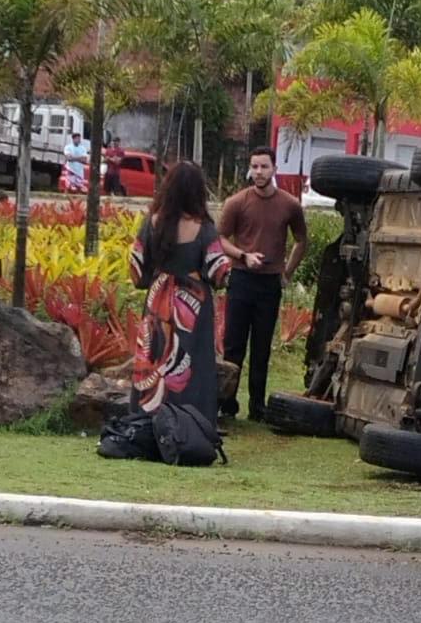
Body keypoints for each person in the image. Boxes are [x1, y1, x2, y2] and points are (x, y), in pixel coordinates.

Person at [129, 160, 232, 423]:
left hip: (158, 298)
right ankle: (191, 424)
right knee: (193, 362)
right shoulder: (204, 228)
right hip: (193, 305)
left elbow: (137, 272)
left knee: (154, 355)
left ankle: (146, 421)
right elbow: (219, 272)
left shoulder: (152, 223)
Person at [218, 147, 308, 422]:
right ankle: (227, 404)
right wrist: (243, 255)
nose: (258, 172)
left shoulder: (290, 204)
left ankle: (257, 406)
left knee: (261, 346)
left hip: (270, 283)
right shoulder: (237, 202)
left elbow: (302, 240)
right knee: (234, 346)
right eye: (254, 167)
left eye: (264, 167)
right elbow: (220, 239)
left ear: (274, 169)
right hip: (242, 280)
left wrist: (287, 272)